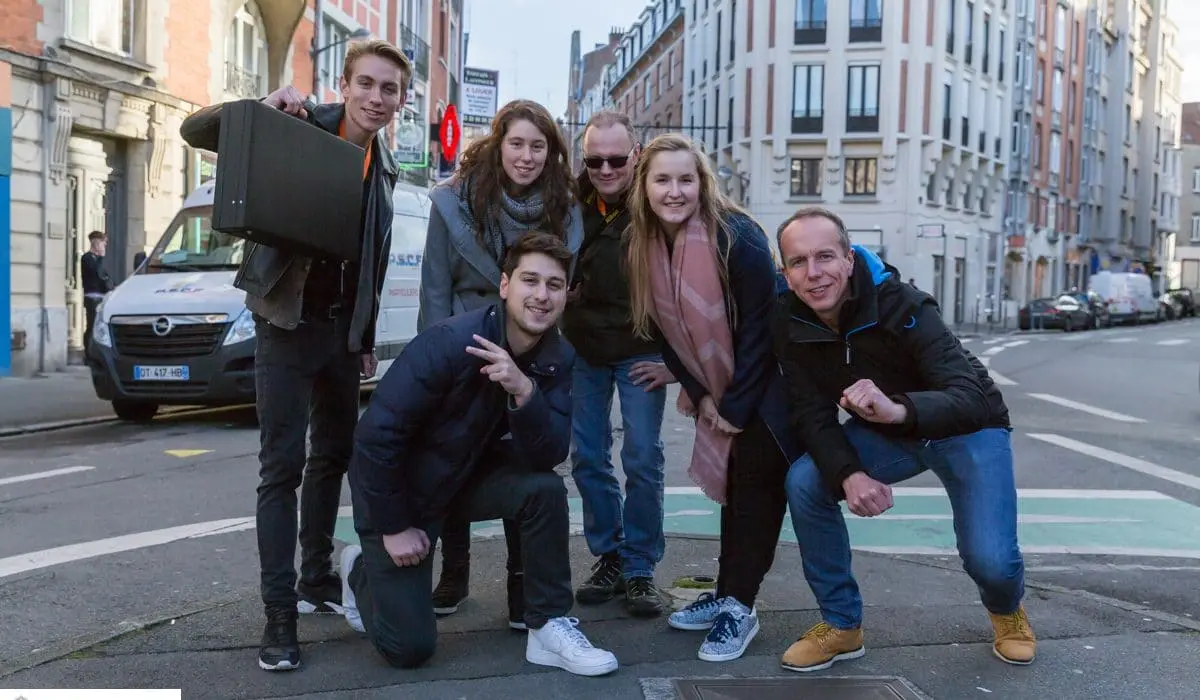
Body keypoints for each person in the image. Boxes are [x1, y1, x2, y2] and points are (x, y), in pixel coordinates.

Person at [179, 40, 412, 672]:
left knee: (333, 457)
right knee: (281, 468)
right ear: (345, 85)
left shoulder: (385, 167)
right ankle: (279, 615)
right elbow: (196, 131)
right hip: (285, 324)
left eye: (389, 89)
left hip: (340, 336)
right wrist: (261, 106)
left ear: (401, 100)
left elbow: (373, 260)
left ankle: (315, 579)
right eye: (367, 84)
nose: (376, 98)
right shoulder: (298, 123)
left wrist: (363, 337)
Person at [770, 206, 1035, 672]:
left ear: (849, 259)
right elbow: (811, 413)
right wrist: (849, 474)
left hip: (968, 428)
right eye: (798, 262)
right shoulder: (789, 320)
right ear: (786, 272)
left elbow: (970, 396)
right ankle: (842, 625)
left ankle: (1006, 610)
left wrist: (898, 409)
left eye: (825, 256)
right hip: (888, 433)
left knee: (991, 561)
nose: (814, 273)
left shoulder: (903, 305)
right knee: (807, 481)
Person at [341, 232, 618, 677]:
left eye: (554, 285)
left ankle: (548, 625)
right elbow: (375, 440)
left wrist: (525, 392)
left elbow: (548, 453)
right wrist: (393, 526)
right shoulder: (449, 342)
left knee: (544, 490)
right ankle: (360, 572)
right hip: (403, 495)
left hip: (463, 481)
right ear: (505, 285)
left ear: (566, 294)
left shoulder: (557, 356)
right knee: (409, 648)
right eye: (530, 280)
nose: (541, 295)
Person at [623, 133, 803, 662]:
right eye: (662, 180)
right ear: (644, 186)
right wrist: (702, 394)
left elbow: (762, 331)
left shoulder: (737, 236)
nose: (674, 191)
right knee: (735, 492)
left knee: (755, 494)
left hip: (769, 386)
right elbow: (665, 333)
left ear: (702, 183)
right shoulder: (645, 244)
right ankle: (727, 593)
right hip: (722, 389)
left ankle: (740, 608)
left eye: (686, 179)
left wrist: (734, 407)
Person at [418, 98, 582, 627]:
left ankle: (521, 582)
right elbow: (435, 282)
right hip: (465, 341)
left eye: (538, 146)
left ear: (551, 152)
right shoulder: (455, 200)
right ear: (498, 144)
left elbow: (558, 288)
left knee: (525, 458)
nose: (526, 156)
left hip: (532, 348)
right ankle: (454, 572)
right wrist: (436, 354)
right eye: (517, 143)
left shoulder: (565, 208)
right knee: (453, 454)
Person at [563, 110, 673, 617]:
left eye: (616, 159)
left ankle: (640, 566)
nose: (605, 170)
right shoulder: (568, 203)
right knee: (587, 456)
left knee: (643, 458)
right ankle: (610, 555)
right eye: (594, 161)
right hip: (583, 347)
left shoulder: (658, 201)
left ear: (636, 155)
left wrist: (677, 362)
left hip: (642, 348)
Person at [81, 230, 114, 350]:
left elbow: (106, 277)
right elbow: (98, 273)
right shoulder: (87, 258)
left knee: (101, 327)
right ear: (96, 243)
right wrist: (101, 257)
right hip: (92, 298)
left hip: (102, 297)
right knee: (92, 326)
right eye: (103, 242)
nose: (105, 245)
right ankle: (88, 351)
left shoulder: (98, 260)